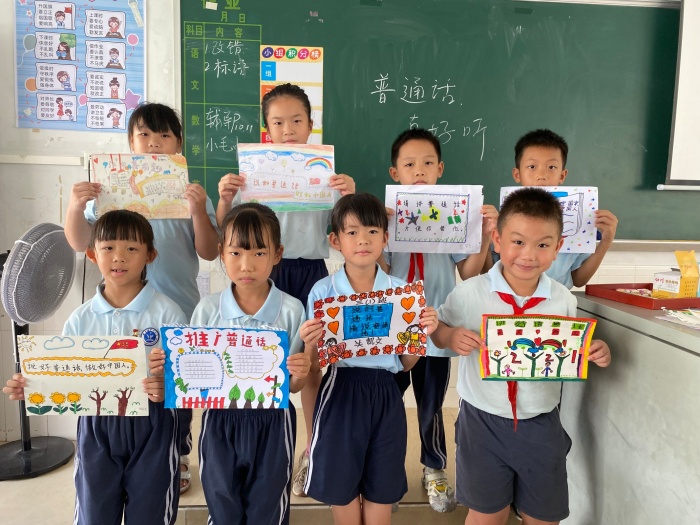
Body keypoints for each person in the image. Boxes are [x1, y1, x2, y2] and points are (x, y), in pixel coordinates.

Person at [431, 187, 612, 525]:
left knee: (543, 516)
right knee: (487, 514)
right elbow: (439, 328)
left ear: (558, 248)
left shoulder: (563, 300)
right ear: (497, 240)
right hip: (482, 421)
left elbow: (568, 348)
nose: (528, 255)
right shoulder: (469, 293)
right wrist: (450, 336)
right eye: (518, 242)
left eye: (542, 245)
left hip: (541, 421)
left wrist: (591, 350)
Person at [64, 102, 219, 493]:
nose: (153, 143)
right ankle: (124, 456)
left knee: (172, 386)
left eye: (164, 135)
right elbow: (81, 243)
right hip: (121, 312)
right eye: (144, 135)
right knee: (128, 385)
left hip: (176, 308)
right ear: (130, 144)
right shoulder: (110, 191)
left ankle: (177, 452)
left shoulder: (189, 193)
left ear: (178, 144)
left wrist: (198, 211)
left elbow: (208, 251)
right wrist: (76, 206)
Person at [216, 83, 356, 496]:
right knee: (252, 356)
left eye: (297, 120)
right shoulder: (250, 174)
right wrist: (224, 199)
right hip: (261, 272)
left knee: (309, 364)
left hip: (310, 271)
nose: (288, 129)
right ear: (267, 130)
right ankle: (254, 447)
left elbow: (344, 228)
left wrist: (347, 195)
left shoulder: (326, 174)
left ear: (311, 125)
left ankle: (311, 449)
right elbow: (228, 230)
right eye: (278, 122)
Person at [3, 210, 186, 525]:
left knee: (151, 511)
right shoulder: (80, 319)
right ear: (91, 254)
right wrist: (32, 386)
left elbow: (184, 378)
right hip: (96, 424)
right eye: (108, 247)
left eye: (131, 248)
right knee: (94, 511)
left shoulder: (168, 313)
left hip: (154, 425)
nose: (119, 257)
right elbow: (62, 376)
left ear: (150, 255)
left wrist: (166, 385)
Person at [151, 202, 311, 524]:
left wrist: (301, 372)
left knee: (268, 506)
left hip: (273, 422)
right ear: (221, 253)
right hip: (219, 422)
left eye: (259, 253)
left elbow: (293, 386)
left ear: (277, 254)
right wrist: (168, 367)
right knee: (222, 502)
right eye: (236, 253)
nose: (246, 265)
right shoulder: (208, 310)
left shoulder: (293, 310)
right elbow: (190, 378)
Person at [300, 193, 439, 525]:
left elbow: (405, 364)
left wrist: (421, 335)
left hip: (387, 393)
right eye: (352, 232)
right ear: (335, 241)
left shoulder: (402, 293)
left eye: (372, 231)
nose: (363, 239)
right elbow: (316, 366)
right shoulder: (322, 292)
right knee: (342, 486)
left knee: (382, 486)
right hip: (339, 390)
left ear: (385, 238)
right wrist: (308, 344)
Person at [380, 128, 498, 513]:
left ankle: (433, 467)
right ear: (395, 173)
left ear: (440, 170)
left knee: (431, 405)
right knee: (387, 405)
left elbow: (470, 271)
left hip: (437, 328)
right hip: (395, 329)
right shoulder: (386, 220)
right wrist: (377, 231)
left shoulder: (452, 217)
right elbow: (378, 270)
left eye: (428, 163)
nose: (419, 170)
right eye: (409, 164)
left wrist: (484, 235)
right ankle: (385, 473)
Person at [487, 129, 618, 289]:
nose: (542, 175)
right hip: (507, 299)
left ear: (562, 175)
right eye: (532, 166)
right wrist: (486, 234)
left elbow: (579, 280)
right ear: (517, 174)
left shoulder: (578, 220)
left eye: (551, 167)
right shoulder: (503, 220)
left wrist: (606, 241)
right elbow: (489, 271)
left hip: (556, 301)